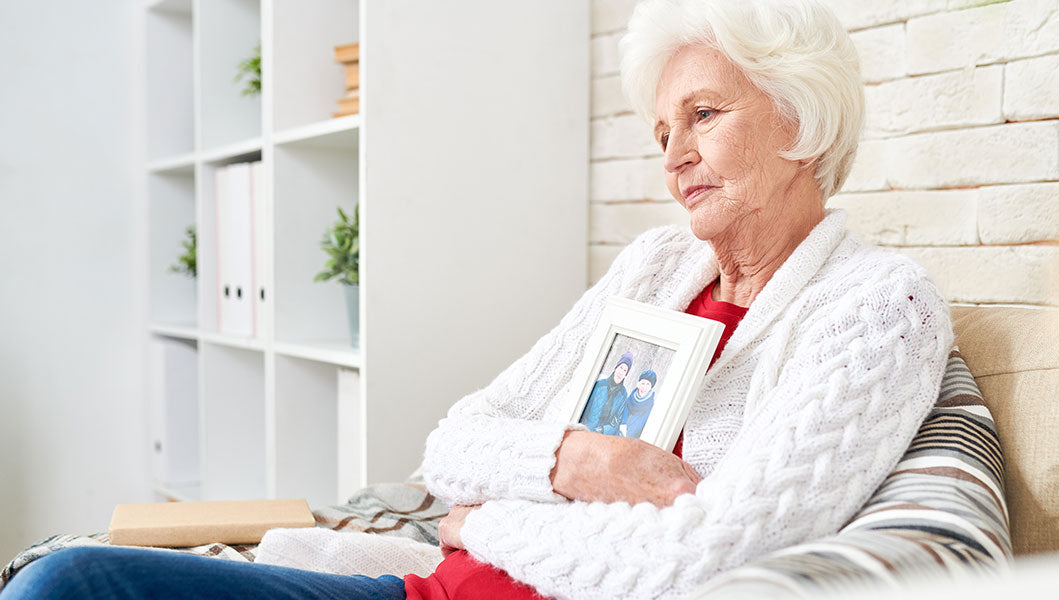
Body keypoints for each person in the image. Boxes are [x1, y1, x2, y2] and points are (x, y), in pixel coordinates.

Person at [0, 1, 952, 599]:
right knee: (65, 576)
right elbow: (455, 441)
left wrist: (484, 522)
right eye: (662, 129)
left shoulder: (875, 308)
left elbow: (704, 560)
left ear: (803, 115)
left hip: (488, 578)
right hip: (428, 588)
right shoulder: (659, 267)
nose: (672, 157)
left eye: (704, 115)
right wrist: (583, 460)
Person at [579, 351, 633, 433]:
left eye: (625, 370)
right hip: (587, 428)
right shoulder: (599, 385)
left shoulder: (623, 394)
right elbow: (585, 406)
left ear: (626, 374)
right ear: (616, 368)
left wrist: (603, 430)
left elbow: (617, 420)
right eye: (620, 367)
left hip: (602, 434)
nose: (621, 372)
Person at [618, 370, 657, 438]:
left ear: (651, 387)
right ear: (638, 384)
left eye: (648, 384)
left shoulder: (651, 407)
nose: (644, 387)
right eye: (643, 383)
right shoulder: (628, 399)